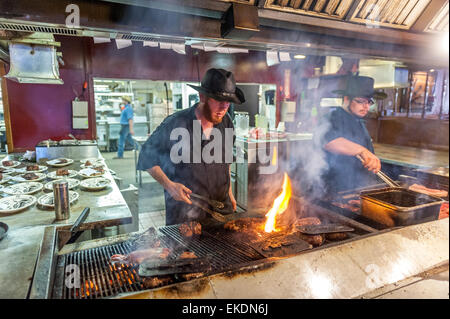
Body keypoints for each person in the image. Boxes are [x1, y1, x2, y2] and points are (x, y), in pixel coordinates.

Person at [137, 68, 245, 225]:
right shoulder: (176, 123)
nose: (224, 108)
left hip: (222, 209)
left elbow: (226, 159)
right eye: (218, 101)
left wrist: (230, 193)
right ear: (202, 97)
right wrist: (170, 186)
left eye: (228, 102)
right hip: (185, 213)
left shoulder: (226, 121)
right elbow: (146, 156)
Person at [316, 75, 387, 194]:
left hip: (357, 188)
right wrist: (362, 150)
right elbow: (328, 141)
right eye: (361, 101)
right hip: (336, 189)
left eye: (369, 102)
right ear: (346, 99)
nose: (366, 107)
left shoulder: (359, 121)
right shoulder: (334, 117)